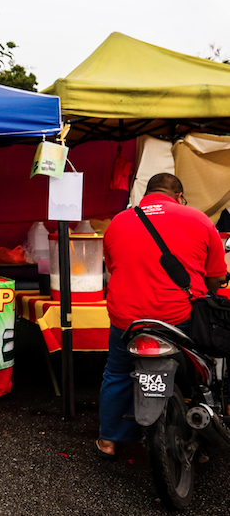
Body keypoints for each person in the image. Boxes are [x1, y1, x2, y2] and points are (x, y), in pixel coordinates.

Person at [95, 173, 227, 460]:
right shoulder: (199, 219)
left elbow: (112, 266)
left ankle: (108, 440)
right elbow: (216, 275)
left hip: (127, 319)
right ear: (179, 195)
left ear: (146, 193)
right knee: (196, 373)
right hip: (178, 316)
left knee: (117, 372)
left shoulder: (118, 221)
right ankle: (202, 432)